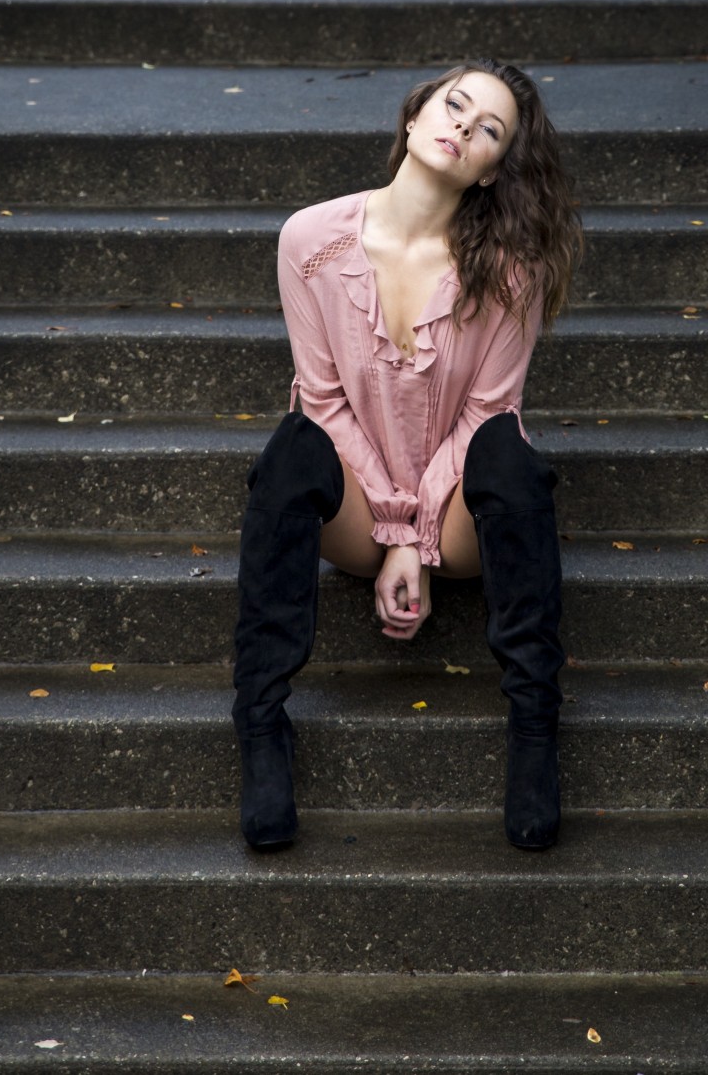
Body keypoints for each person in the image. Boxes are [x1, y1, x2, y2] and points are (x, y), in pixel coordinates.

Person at [231, 59, 582, 853]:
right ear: (417, 112)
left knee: (509, 457)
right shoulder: (311, 241)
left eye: (489, 129)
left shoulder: (511, 272)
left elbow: (487, 414)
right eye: (455, 104)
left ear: (492, 170)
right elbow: (323, 402)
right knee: (292, 449)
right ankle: (260, 724)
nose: (462, 126)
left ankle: (535, 730)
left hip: (458, 521)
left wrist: (422, 540)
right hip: (356, 512)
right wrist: (391, 534)